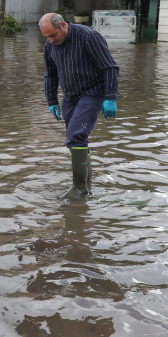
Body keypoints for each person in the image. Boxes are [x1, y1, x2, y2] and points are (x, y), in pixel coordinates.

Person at [39, 13, 119, 198]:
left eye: (53, 35)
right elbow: (50, 74)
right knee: (75, 139)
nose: (50, 41)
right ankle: (87, 180)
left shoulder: (88, 37)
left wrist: (110, 96)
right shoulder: (50, 44)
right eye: (47, 37)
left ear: (64, 26)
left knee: (76, 134)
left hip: (93, 91)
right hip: (70, 95)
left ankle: (79, 189)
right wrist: (51, 100)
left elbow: (110, 67)